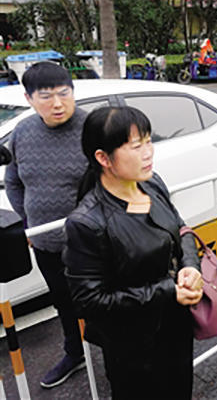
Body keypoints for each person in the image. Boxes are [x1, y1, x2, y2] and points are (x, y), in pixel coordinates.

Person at [63, 106, 203, 399]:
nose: (148, 152)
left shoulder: (152, 184)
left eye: (149, 141)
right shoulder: (87, 222)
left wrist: (190, 265)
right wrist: (168, 290)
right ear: (103, 158)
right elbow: (89, 301)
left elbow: (180, 228)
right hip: (133, 348)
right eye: (136, 146)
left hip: (176, 330)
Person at [4, 62, 88, 388]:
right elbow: (14, 181)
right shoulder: (23, 133)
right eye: (46, 96)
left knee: (103, 303)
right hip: (45, 244)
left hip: (90, 243)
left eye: (64, 93)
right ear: (29, 98)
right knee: (63, 302)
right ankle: (74, 353)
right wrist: (29, 222)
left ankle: (117, 360)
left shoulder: (92, 128)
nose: (57, 103)